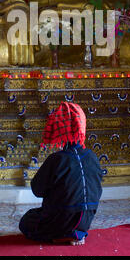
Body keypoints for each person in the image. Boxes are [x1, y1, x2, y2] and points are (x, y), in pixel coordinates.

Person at [19, 102, 103, 245]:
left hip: (59, 220)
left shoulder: (57, 158)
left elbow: (37, 190)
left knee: (27, 221)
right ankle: (76, 234)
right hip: (86, 220)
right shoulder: (92, 157)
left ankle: (61, 235)